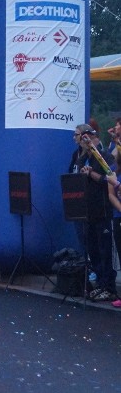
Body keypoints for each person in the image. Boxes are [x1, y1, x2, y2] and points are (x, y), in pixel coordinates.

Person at [71, 124, 117, 302]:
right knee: (93, 250)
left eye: (78, 135)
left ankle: (109, 286)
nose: (76, 139)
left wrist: (92, 173)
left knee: (104, 250)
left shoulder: (103, 156)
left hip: (103, 210)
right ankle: (100, 283)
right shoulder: (82, 157)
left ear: (87, 136)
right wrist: (84, 156)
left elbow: (109, 177)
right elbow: (76, 171)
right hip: (87, 210)